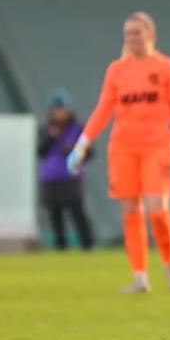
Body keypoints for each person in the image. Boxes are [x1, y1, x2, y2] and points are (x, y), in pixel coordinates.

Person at [67, 12, 170, 293]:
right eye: (128, 34)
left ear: (151, 35)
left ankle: (169, 266)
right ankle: (139, 276)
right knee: (130, 211)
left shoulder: (167, 68)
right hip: (123, 148)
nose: (132, 38)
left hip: (157, 146)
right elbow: (103, 109)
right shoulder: (117, 70)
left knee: (157, 210)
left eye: (137, 32)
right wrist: (82, 145)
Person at [37, 89, 95, 251]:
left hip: (72, 178)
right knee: (55, 215)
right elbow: (40, 151)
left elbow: (90, 153)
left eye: (62, 109)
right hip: (51, 178)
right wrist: (51, 137)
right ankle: (60, 247)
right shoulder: (46, 130)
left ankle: (87, 245)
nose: (59, 113)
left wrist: (73, 150)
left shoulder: (77, 130)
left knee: (77, 213)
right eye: (56, 110)